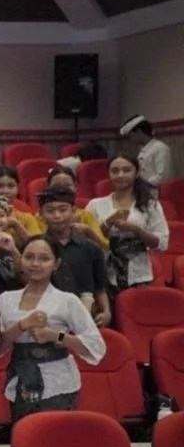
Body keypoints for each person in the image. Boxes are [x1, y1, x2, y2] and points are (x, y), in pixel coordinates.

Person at [0, 236, 106, 419]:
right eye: (29, 257)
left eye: (44, 258)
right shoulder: (6, 299)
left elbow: (95, 346)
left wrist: (56, 336)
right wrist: (21, 326)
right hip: (21, 380)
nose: (35, 263)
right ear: (21, 260)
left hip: (59, 381)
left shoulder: (67, 300)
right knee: (25, 436)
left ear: (56, 264)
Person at [87, 154, 169, 293]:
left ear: (136, 173)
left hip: (139, 275)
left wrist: (136, 230)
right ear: (109, 174)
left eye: (126, 170)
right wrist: (107, 223)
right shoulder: (95, 204)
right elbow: (86, 241)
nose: (120, 175)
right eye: (115, 171)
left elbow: (161, 244)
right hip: (104, 274)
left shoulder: (150, 205)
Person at [37, 186, 111, 327]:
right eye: (50, 211)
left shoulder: (91, 247)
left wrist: (107, 312)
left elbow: (100, 287)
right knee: (60, 341)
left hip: (85, 317)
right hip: (47, 319)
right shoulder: (36, 246)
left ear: (74, 211)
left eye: (63, 209)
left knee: (77, 345)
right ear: (40, 213)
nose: (57, 215)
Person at [119, 114, 172, 187]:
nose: (130, 140)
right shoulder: (144, 149)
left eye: (130, 136)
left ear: (138, 132)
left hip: (155, 193)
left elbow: (162, 177)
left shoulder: (160, 148)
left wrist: (142, 184)